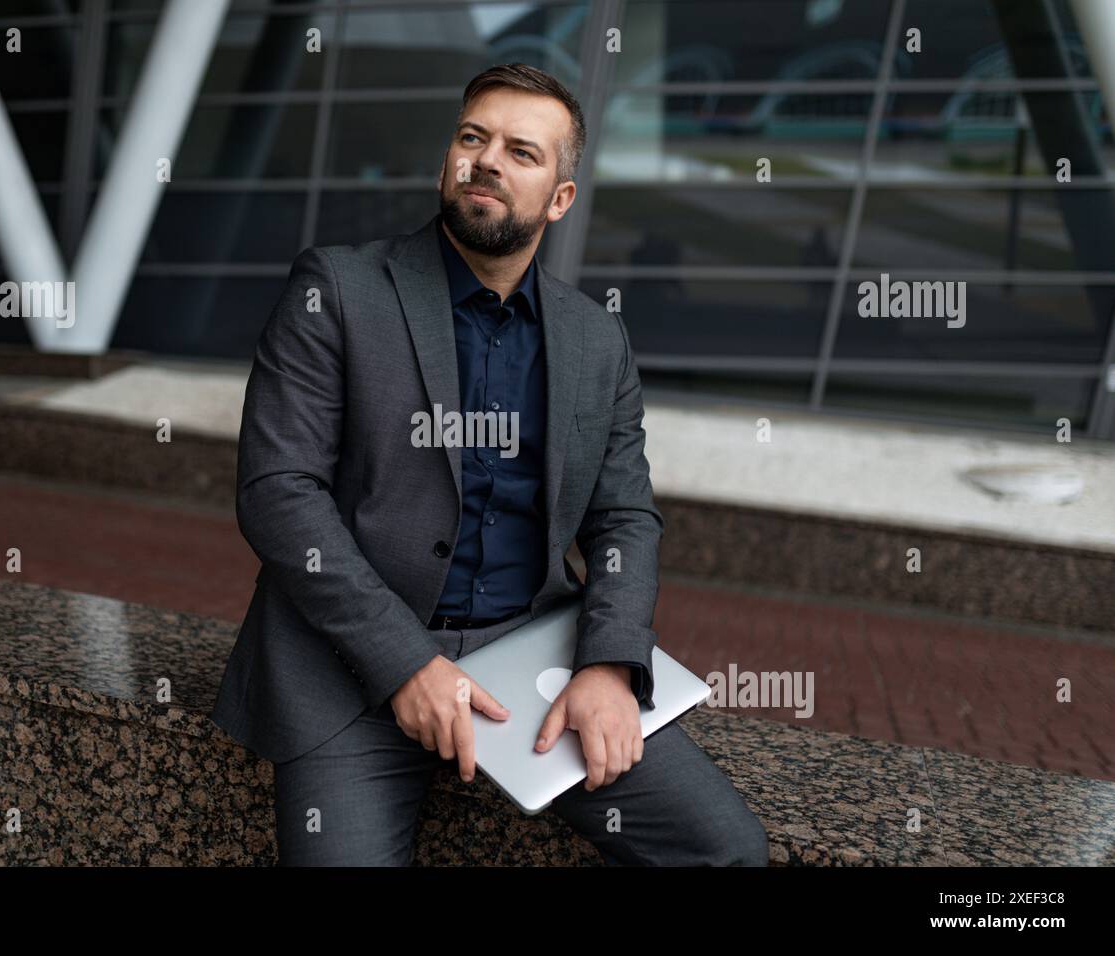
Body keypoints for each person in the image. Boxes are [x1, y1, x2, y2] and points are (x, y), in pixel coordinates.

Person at [211, 62, 768, 867]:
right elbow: (278, 494)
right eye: (472, 138)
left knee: (728, 851)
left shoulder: (593, 338)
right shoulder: (336, 289)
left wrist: (611, 663)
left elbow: (623, 518)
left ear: (560, 199)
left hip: (532, 662)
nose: (487, 161)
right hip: (349, 668)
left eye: (521, 151)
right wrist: (406, 662)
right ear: (447, 160)